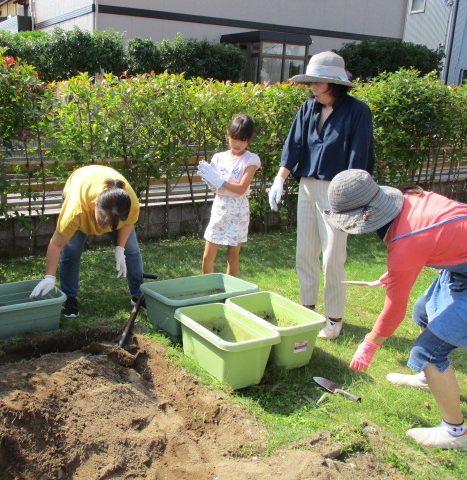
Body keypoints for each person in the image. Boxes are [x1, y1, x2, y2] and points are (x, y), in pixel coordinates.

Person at [323, 168, 467, 450]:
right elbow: (440, 240)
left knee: (427, 351)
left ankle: (456, 432)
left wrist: (370, 343)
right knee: (422, 313)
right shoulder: (409, 199)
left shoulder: (407, 241)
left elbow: (394, 308)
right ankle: (429, 378)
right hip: (461, 267)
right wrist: (395, 273)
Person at [268, 51, 375, 340]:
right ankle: (307, 313)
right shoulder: (307, 109)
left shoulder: (357, 111)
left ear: (334, 83)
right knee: (305, 253)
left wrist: (352, 197)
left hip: (338, 191)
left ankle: (334, 320)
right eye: (311, 82)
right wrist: (279, 179)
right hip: (306, 186)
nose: (312, 87)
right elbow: (294, 146)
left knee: (332, 258)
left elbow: (359, 157)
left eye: (318, 82)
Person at [30, 165, 143, 318]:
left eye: (112, 225)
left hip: (103, 186)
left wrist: (120, 248)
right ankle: (70, 298)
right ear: (95, 203)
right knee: (72, 251)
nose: (105, 228)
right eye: (102, 222)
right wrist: (49, 277)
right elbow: (56, 244)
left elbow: (128, 223)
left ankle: (138, 295)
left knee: (132, 250)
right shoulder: (75, 211)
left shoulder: (130, 205)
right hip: (79, 183)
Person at [197, 113, 260, 277]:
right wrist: (212, 182)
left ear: (249, 139)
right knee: (207, 256)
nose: (238, 143)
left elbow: (241, 188)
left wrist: (220, 182)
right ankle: (207, 289)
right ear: (228, 134)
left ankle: (231, 293)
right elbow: (214, 188)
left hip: (238, 209)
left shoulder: (251, 159)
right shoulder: (218, 157)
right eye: (234, 138)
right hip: (220, 207)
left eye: (243, 139)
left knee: (232, 256)